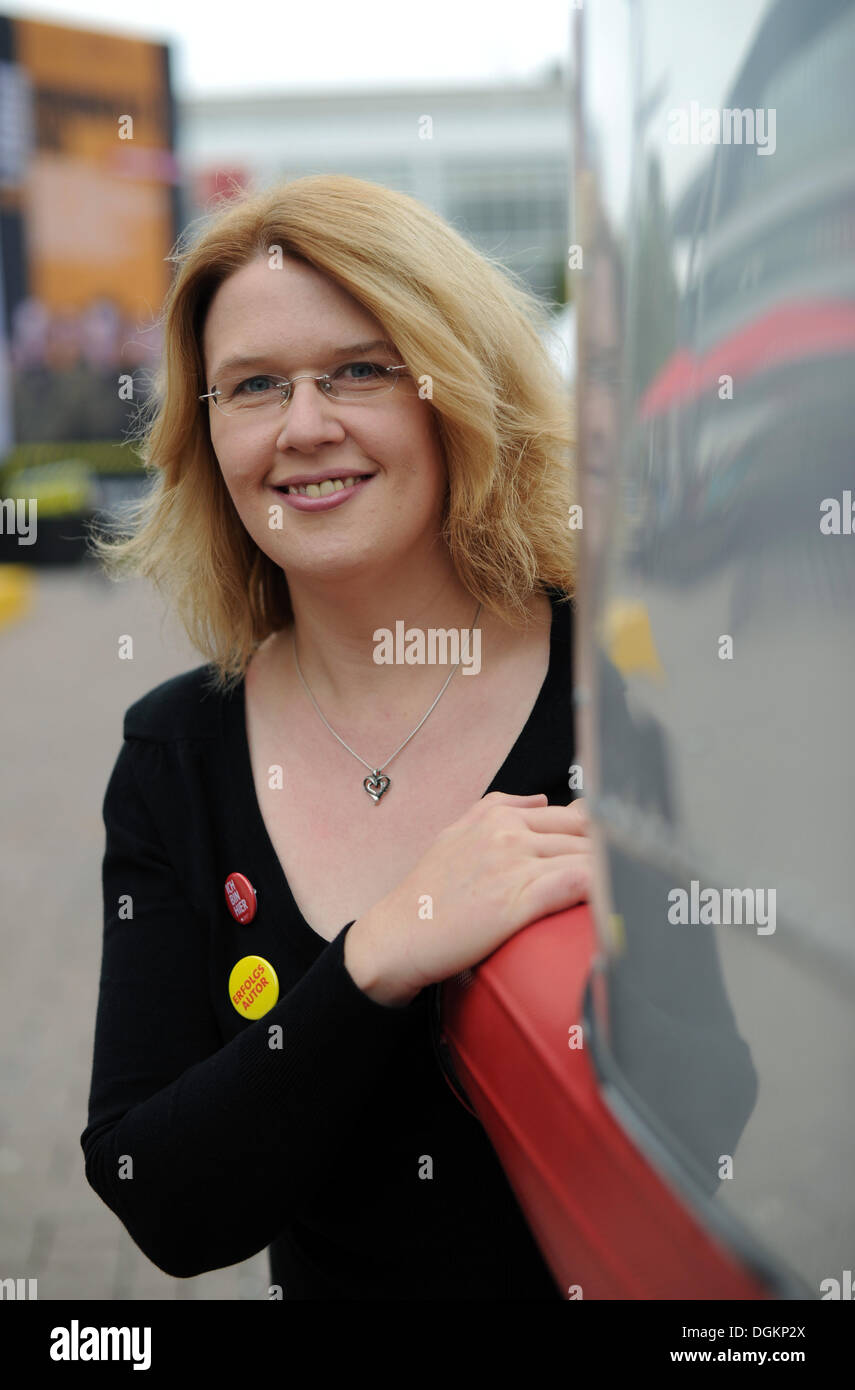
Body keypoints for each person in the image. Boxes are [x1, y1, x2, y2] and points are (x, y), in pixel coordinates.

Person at [80, 174, 590, 1300]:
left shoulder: (621, 682)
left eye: (359, 368)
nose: (306, 426)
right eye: (254, 385)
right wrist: (375, 957)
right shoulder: (175, 753)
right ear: (205, 432)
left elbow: (738, 1101)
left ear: (456, 387)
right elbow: (160, 1192)